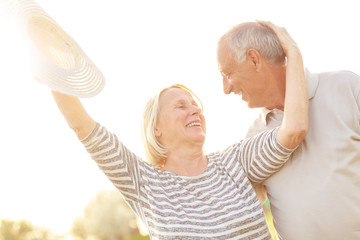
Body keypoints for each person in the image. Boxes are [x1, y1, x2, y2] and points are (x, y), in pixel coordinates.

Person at [50, 22, 307, 239]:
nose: (195, 111)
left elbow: (293, 128)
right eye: (181, 106)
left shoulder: (237, 160)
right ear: (156, 129)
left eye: (196, 105)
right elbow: (81, 124)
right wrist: (50, 62)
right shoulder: (144, 182)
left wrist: (292, 53)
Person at [217, 21, 360, 240]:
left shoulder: (347, 87)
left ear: (254, 59)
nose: (226, 89)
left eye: (227, 74)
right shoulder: (253, 138)